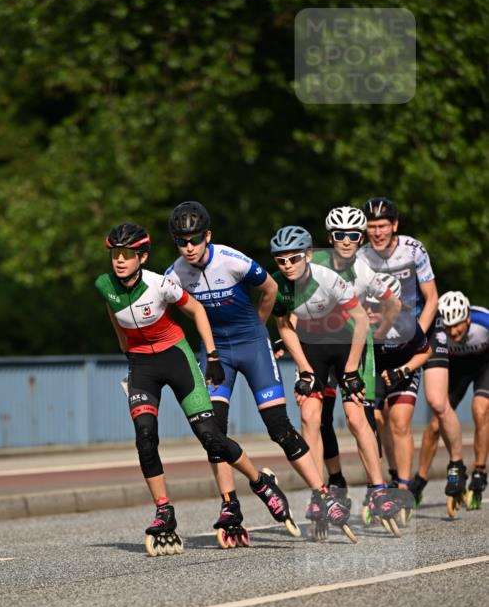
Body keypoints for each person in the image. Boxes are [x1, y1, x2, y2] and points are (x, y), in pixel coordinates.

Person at [94, 223, 300, 556]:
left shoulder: (160, 284)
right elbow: (112, 310)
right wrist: (125, 350)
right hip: (142, 366)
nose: (119, 261)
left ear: (142, 257)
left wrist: (213, 356)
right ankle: (163, 510)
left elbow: (197, 310)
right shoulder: (104, 284)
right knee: (145, 436)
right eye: (115, 254)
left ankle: (261, 481)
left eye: (127, 255)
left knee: (210, 436)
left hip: (176, 358)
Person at [164, 200, 337, 545]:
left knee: (279, 428)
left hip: (253, 345)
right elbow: (176, 312)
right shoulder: (174, 274)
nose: (189, 247)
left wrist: (258, 326)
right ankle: (231, 504)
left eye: (195, 239)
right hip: (217, 355)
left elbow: (270, 289)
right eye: (181, 241)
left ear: (207, 236)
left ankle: (321, 492)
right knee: (212, 431)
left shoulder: (232, 259)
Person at [269, 225, 402, 539]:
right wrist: (303, 368)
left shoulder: (327, 278)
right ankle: (321, 494)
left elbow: (359, 322)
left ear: (309, 256)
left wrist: (353, 371)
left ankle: (378, 489)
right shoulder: (278, 286)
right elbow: (285, 326)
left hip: (347, 345)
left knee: (356, 417)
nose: (287, 266)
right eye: (280, 260)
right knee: (309, 416)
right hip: (313, 348)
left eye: (293, 259)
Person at [358, 197, 460, 499]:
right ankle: (394, 476)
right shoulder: (361, 257)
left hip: (418, 333)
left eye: (383, 227)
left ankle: (453, 465)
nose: (377, 233)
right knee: (377, 418)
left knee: (426, 407)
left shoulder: (414, 250)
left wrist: (416, 335)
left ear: (395, 226)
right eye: (372, 227)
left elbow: (431, 298)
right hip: (379, 342)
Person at [312, 205, 401, 501]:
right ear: (330, 237)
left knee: (359, 419)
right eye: (340, 235)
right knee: (320, 417)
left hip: (355, 351)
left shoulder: (364, 272)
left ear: (361, 238)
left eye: (353, 235)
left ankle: (376, 488)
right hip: (323, 348)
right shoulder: (314, 266)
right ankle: (335, 478)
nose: (347, 240)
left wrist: (377, 334)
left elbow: (394, 305)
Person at [413, 292, 489, 510]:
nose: (454, 331)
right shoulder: (439, 331)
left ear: (467, 319)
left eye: (458, 325)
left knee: (480, 409)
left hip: (485, 365)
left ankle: (479, 471)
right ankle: (420, 479)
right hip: (458, 368)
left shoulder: (483, 320)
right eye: (449, 327)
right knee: (437, 423)